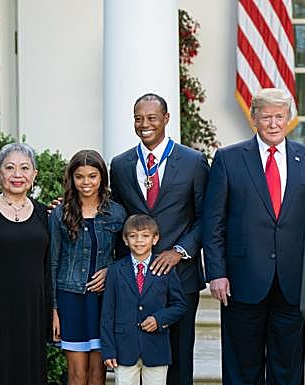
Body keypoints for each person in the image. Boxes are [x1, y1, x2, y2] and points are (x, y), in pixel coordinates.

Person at [202, 88, 305, 385]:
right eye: (267, 117)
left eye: (280, 117)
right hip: (241, 281)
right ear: (254, 119)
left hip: (293, 281)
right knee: (241, 369)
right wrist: (216, 273)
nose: (274, 124)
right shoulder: (228, 159)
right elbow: (214, 224)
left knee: (287, 368)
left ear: (289, 118)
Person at [109, 93, 209, 385]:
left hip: (180, 276)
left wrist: (179, 251)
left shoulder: (193, 161)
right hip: (136, 281)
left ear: (166, 119)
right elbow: (116, 215)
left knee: (178, 360)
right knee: (136, 358)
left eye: (152, 118)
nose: (144, 124)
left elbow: (208, 218)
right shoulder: (122, 164)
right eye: (138, 118)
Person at [0, 143, 51, 385]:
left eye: (25, 168)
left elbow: (50, 264)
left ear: (34, 175)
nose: (18, 175)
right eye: (10, 168)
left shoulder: (44, 214)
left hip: (33, 310)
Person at [49, 150, 127, 385]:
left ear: (102, 177)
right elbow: (52, 261)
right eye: (80, 177)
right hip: (69, 299)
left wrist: (110, 271)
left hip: (103, 301)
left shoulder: (116, 212)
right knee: (77, 374)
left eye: (92, 176)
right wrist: (53, 309)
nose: (86, 183)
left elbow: (127, 258)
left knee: (98, 374)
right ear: (71, 179)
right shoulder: (60, 214)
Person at [101, 214, 187, 385]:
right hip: (124, 349)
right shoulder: (115, 271)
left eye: (145, 235)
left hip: (156, 348)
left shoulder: (165, 268)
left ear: (155, 239)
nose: (139, 241)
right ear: (125, 240)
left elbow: (180, 305)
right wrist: (108, 350)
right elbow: (107, 313)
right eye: (133, 236)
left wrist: (159, 319)